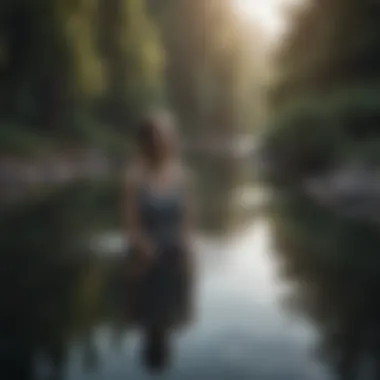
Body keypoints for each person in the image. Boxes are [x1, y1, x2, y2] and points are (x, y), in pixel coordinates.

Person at [123, 109, 196, 371]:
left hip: (173, 259)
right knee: (148, 315)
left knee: (171, 312)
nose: (161, 142)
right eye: (156, 137)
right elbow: (132, 228)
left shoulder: (182, 175)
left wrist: (189, 269)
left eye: (165, 136)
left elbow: (187, 225)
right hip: (146, 261)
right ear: (146, 142)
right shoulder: (134, 176)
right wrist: (148, 253)